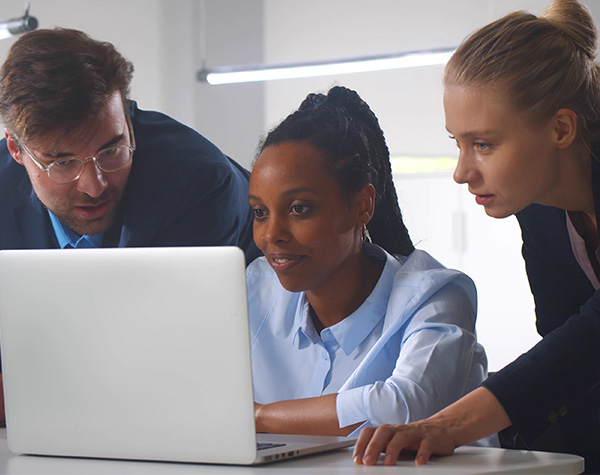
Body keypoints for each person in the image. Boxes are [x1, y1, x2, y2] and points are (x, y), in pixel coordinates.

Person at [353, 0, 600, 471]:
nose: (462, 172)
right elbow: (563, 343)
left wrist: (445, 426)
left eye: (483, 144)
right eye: (458, 143)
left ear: (561, 129)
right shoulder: (541, 206)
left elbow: (590, 339)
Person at [0, 28, 260, 423]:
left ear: (128, 119)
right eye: (63, 163)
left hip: (241, 388)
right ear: (16, 150)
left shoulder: (199, 182)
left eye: (111, 149)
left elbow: (161, 362)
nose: (95, 185)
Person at [246, 86, 493, 440]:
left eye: (299, 208)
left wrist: (257, 417)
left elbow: (405, 406)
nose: (272, 235)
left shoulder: (435, 297)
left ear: (362, 205)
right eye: (260, 212)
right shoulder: (255, 288)